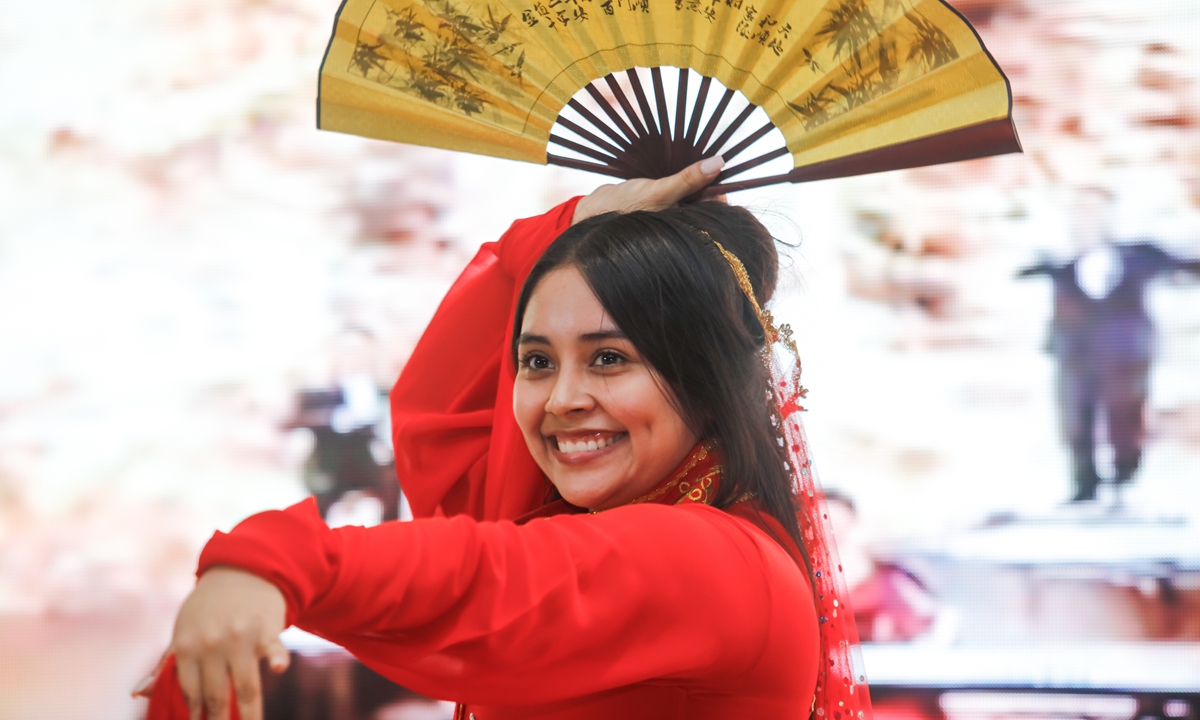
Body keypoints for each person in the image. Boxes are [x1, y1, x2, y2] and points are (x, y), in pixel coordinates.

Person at [141, 160, 870, 720]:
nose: (561, 400)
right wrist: (567, 228)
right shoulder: (583, 520)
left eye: (609, 358)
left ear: (706, 378)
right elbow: (446, 431)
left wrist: (277, 560)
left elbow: (485, 575)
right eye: (536, 361)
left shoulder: (719, 562)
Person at [1017, 188, 1200, 503]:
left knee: (1125, 418)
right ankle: (1084, 486)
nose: (1084, 220)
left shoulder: (1137, 255)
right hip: (1074, 356)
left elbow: (1185, 266)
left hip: (1125, 355)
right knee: (1075, 420)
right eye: (1078, 213)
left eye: (1092, 212)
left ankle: (1123, 481)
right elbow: (1017, 274)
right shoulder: (1059, 261)